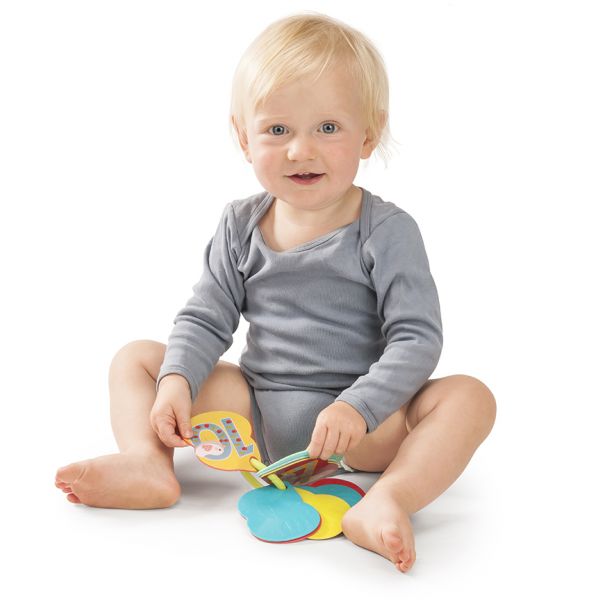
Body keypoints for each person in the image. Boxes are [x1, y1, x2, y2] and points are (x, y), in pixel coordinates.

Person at [55, 12, 496, 573]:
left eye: (328, 128)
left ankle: (389, 498)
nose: (300, 150)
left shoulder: (386, 231)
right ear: (244, 137)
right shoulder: (240, 224)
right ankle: (147, 462)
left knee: (469, 397)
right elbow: (206, 316)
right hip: (254, 418)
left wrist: (358, 406)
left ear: (369, 133)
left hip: (361, 429)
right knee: (137, 359)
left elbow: (416, 338)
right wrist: (177, 382)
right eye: (278, 130)